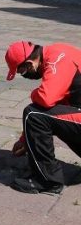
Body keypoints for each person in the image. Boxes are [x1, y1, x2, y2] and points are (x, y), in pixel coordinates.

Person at [5, 40, 81, 195]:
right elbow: (55, 107)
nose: (25, 76)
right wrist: (24, 140)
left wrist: (33, 94)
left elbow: (46, 98)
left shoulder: (57, 59)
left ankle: (47, 181)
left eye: (22, 72)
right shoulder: (56, 52)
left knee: (33, 114)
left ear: (29, 64)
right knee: (47, 115)